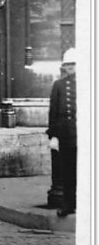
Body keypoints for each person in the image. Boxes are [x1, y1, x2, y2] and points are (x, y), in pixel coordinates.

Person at [48, 48, 77, 217]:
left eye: (73, 64)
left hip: (82, 134)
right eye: (67, 65)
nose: (70, 67)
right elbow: (53, 113)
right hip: (65, 135)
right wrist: (53, 136)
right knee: (67, 172)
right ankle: (68, 204)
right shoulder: (58, 85)